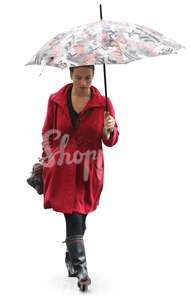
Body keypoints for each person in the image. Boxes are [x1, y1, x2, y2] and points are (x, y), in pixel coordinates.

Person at [39, 65, 119, 291]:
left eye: (88, 78)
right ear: (70, 76)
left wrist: (109, 128)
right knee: (72, 215)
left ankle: (70, 254)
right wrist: (50, 157)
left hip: (88, 168)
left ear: (94, 75)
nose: (84, 82)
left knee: (81, 217)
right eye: (79, 78)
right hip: (62, 168)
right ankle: (82, 269)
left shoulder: (103, 103)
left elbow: (110, 141)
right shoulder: (56, 100)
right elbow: (47, 131)